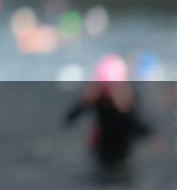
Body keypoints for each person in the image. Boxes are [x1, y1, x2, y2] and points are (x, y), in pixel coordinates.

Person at [64, 54, 152, 183]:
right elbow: (70, 118)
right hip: (102, 150)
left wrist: (124, 108)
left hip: (123, 151)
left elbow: (140, 127)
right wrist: (85, 101)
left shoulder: (127, 100)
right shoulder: (96, 98)